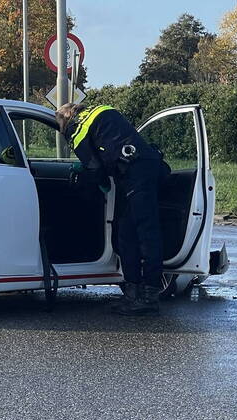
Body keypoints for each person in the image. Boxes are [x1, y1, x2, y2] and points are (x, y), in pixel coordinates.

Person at [56, 103, 169, 316]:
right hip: (145, 167)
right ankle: (133, 292)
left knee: (146, 234)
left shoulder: (77, 131)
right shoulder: (102, 110)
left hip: (135, 175)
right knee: (126, 233)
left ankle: (149, 296)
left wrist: (101, 184)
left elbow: (93, 167)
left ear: (65, 122)